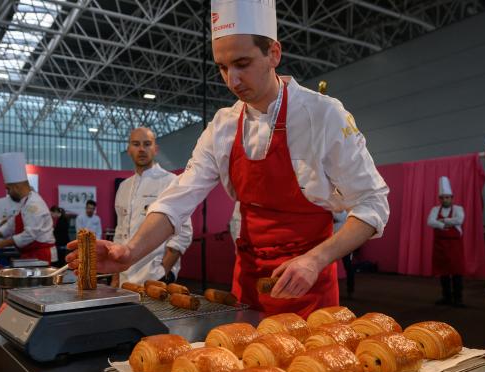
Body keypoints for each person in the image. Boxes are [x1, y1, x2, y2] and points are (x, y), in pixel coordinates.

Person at [67, 1, 388, 317]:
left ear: (273, 54)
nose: (232, 81)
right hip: (247, 288)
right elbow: (179, 198)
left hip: (308, 286)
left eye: (242, 63)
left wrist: (316, 259)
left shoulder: (323, 114)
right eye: (222, 67)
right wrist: (128, 252)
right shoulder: (222, 126)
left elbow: (373, 204)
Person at [112, 127, 193, 285]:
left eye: (147, 144)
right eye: (136, 144)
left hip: (155, 276)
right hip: (125, 278)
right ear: (128, 149)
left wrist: (164, 269)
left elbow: (184, 230)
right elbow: (120, 232)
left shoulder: (171, 181)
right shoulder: (123, 187)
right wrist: (116, 276)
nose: (141, 149)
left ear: (155, 149)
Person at [0, 153, 56, 264]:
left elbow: (29, 235)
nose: (8, 193)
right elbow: (12, 223)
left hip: (42, 256)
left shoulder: (34, 204)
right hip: (32, 255)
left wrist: (1, 243)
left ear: (17, 187)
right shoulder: (24, 202)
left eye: (9, 189)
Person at [427, 176, 465, 307]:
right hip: (440, 246)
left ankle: (458, 299)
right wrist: (445, 224)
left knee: (456, 272)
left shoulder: (458, 209)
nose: (445, 200)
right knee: (443, 273)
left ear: (452, 197)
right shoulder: (435, 209)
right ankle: (446, 297)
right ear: (440, 199)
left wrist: (443, 221)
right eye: (442, 198)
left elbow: (459, 220)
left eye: (447, 197)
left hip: (455, 246)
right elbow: (430, 222)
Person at [333, 211, 355, 299]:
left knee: (348, 266)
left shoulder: (347, 211)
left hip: (346, 242)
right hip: (333, 242)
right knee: (327, 267)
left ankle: (350, 290)